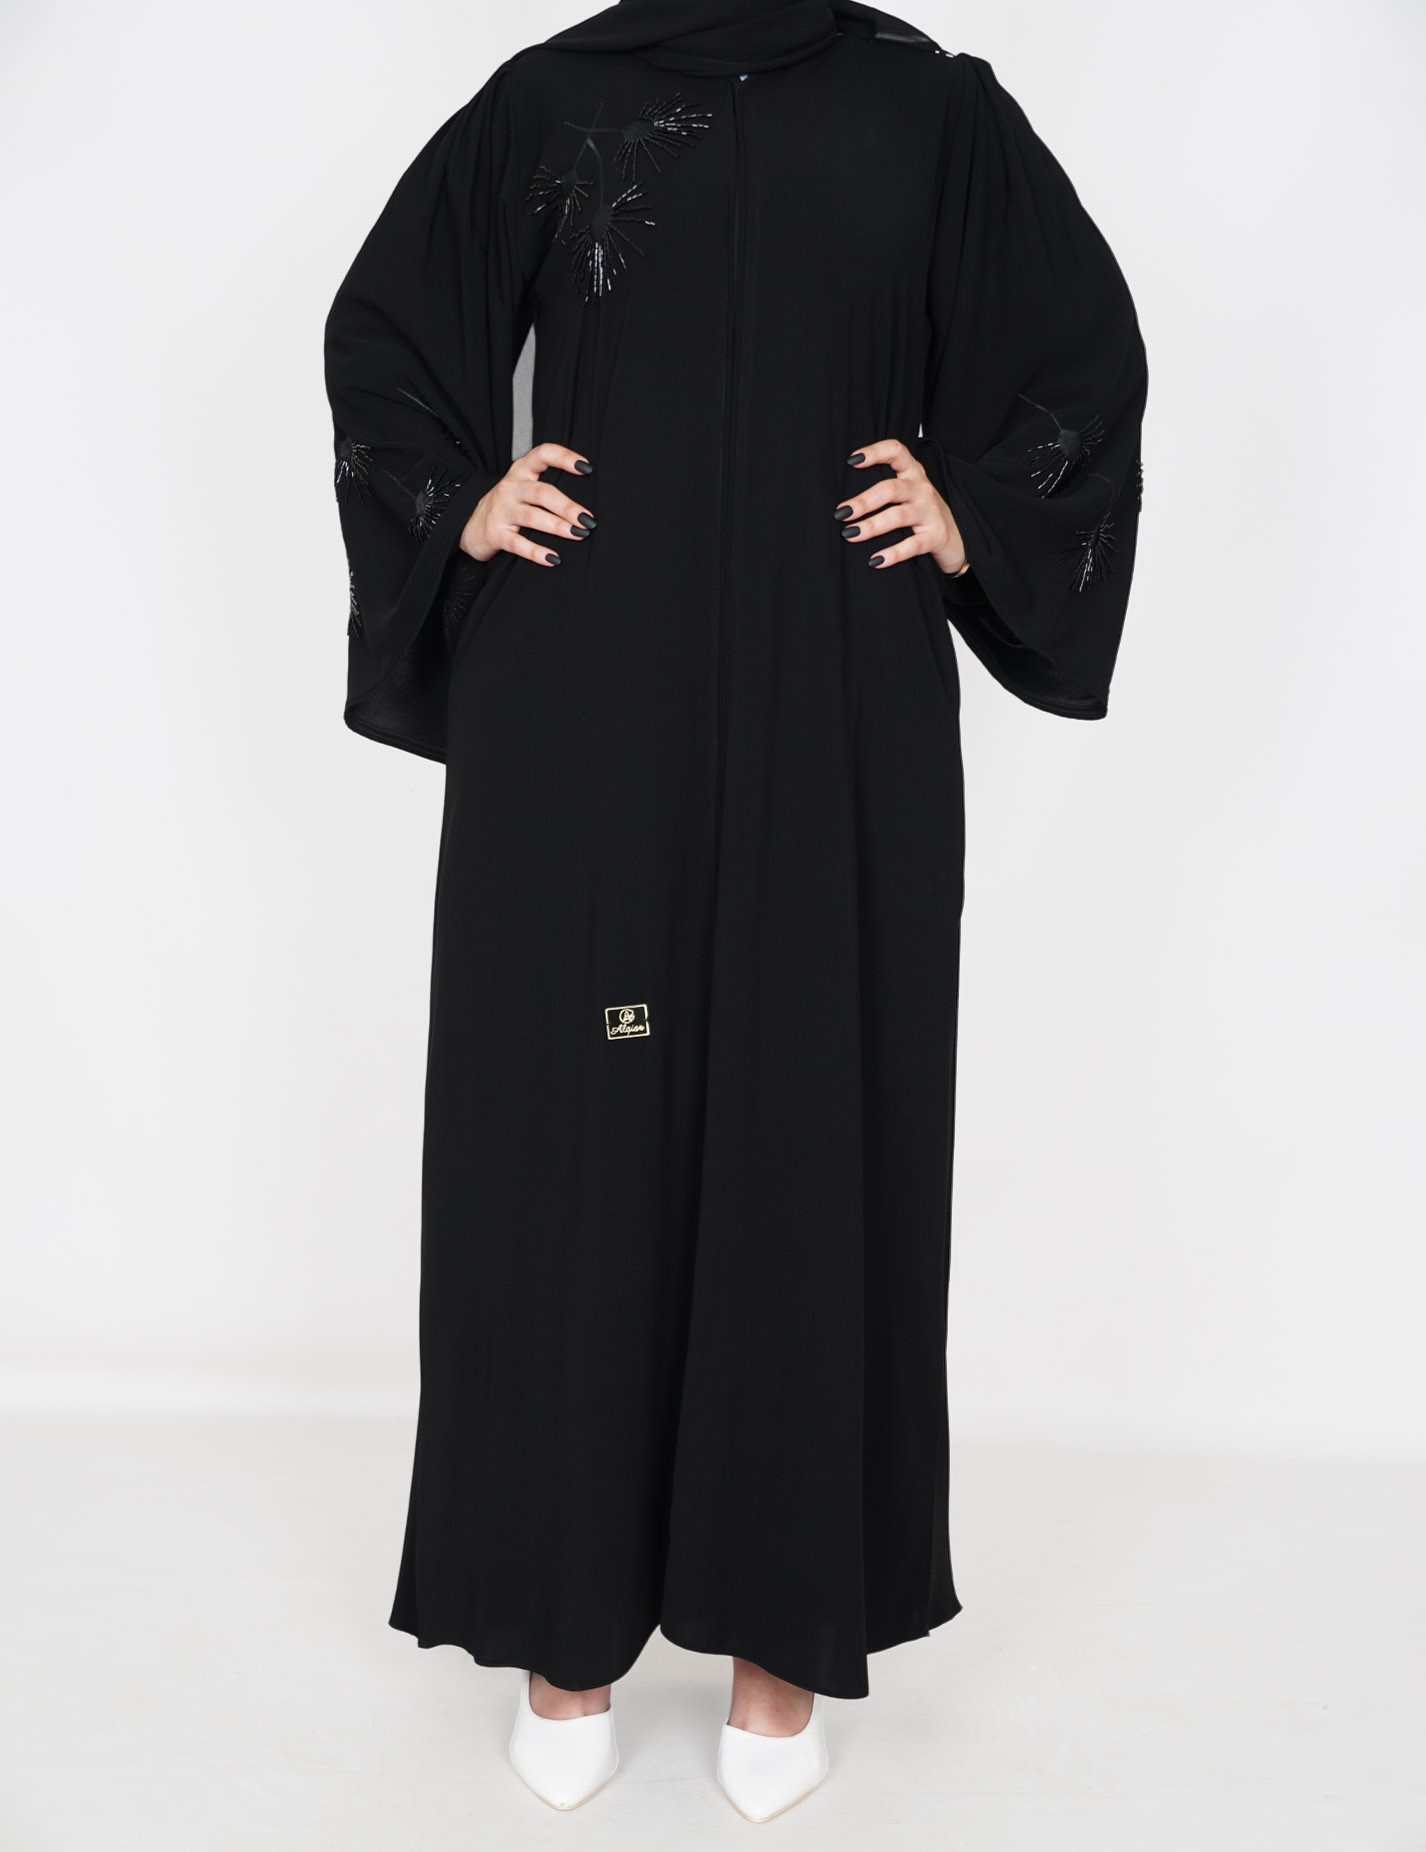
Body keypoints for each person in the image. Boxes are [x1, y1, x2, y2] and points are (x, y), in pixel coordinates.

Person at [323, 0, 1148, 1822]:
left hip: (831, 682)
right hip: (580, 685)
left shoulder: (930, 112)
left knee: (808, 1125)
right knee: (570, 1130)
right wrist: (458, 500)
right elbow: (385, 330)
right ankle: (562, 1641)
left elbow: (1077, 352)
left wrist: (974, 505)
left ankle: (782, 1648)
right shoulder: (551, 99)